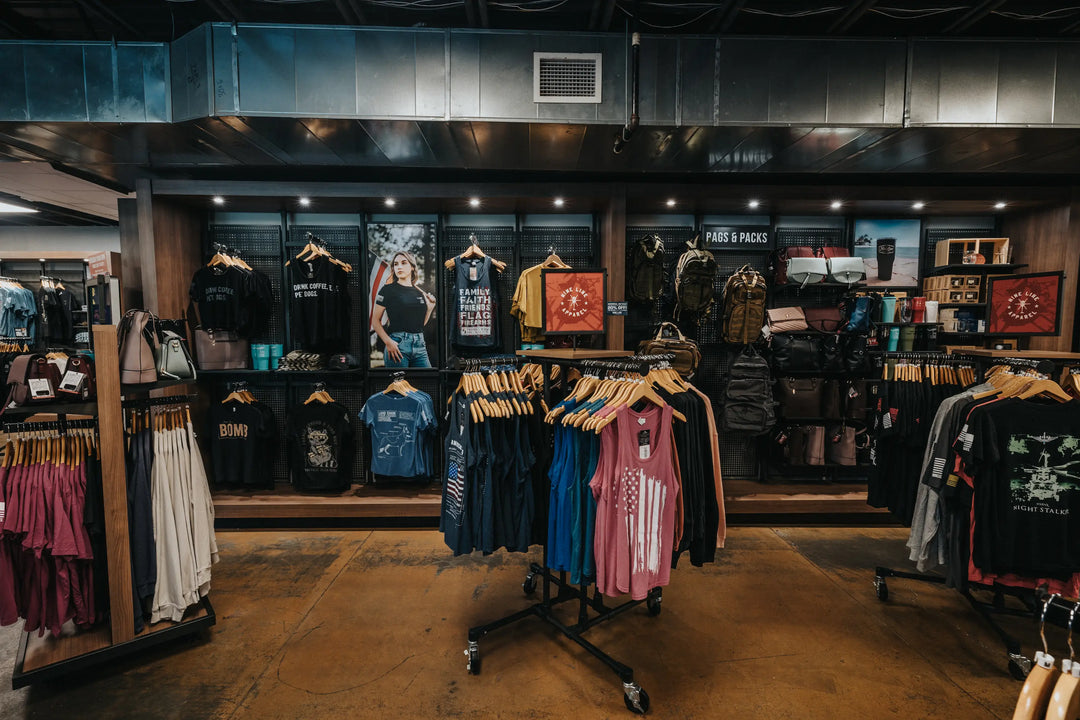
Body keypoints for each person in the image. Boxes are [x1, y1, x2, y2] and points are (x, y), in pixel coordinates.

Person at [371, 251, 435, 367]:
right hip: (398, 344)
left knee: (426, 383)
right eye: (396, 264)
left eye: (403, 263)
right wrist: (388, 342)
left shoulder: (419, 293)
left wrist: (430, 309)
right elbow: (375, 321)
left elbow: (419, 325)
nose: (399, 267)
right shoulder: (387, 290)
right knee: (398, 384)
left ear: (412, 267)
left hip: (420, 345)